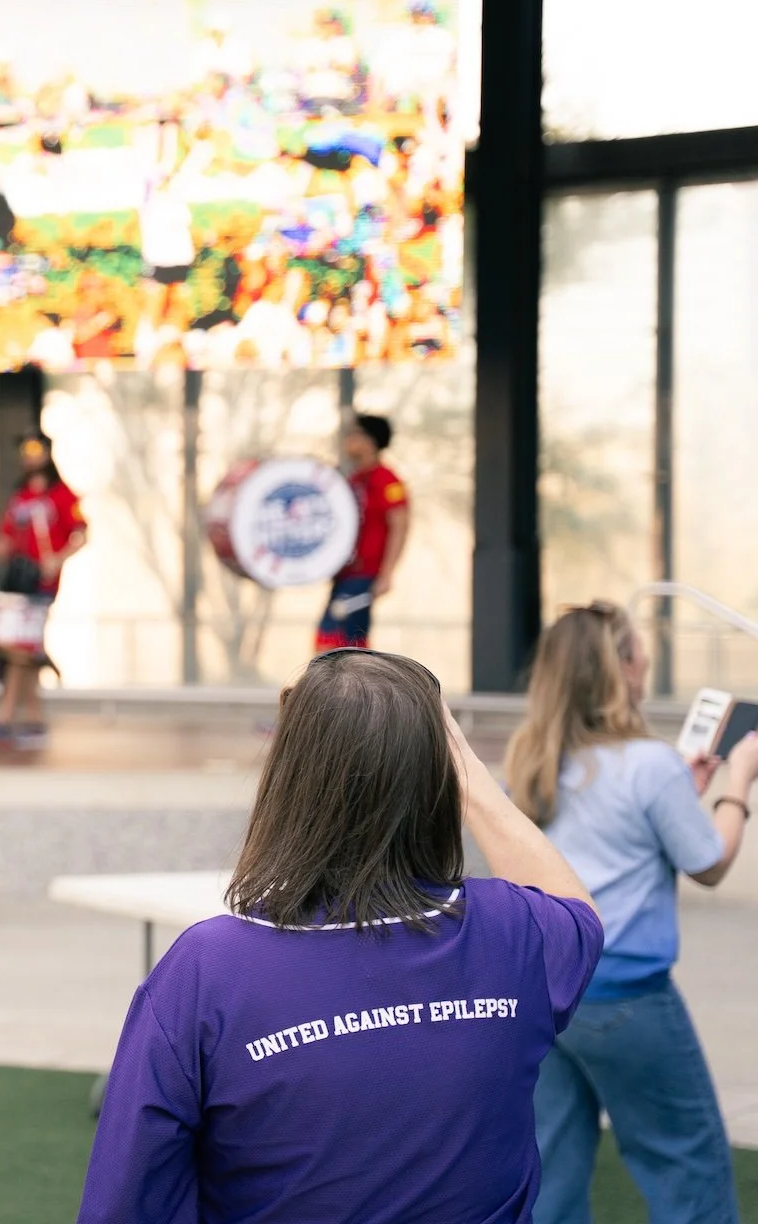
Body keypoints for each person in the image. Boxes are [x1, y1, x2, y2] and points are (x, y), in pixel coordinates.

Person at [78, 648, 603, 1223]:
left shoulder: (208, 971)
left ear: (289, 780)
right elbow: (579, 913)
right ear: (439, 775)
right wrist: (469, 777)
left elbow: (126, 1203)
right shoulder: (513, 934)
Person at [505, 601, 756, 1224]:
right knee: (687, 1165)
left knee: (552, 1173)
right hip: (628, 1000)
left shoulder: (529, 763)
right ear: (621, 668)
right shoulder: (650, 765)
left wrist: (681, 790)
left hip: (545, 996)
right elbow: (709, 862)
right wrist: (739, 783)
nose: (647, 660)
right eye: (640, 651)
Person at [0, 432, 86, 748]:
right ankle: (33, 720)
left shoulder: (61, 494)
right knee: (20, 651)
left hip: (42, 583)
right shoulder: (21, 496)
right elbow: (6, 537)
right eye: (25, 450)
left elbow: (80, 533)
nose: (29, 456)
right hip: (18, 581)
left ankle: (5, 717)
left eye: (35, 450)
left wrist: (57, 559)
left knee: (19, 651)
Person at [316, 412, 408, 652]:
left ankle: (351, 690)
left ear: (370, 440)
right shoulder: (353, 479)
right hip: (345, 573)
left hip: (365, 574)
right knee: (332, 640)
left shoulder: (387, 481)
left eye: (353, 434)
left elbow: (400, 525)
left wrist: (387, 574)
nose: (347, 441)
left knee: (345, 643)